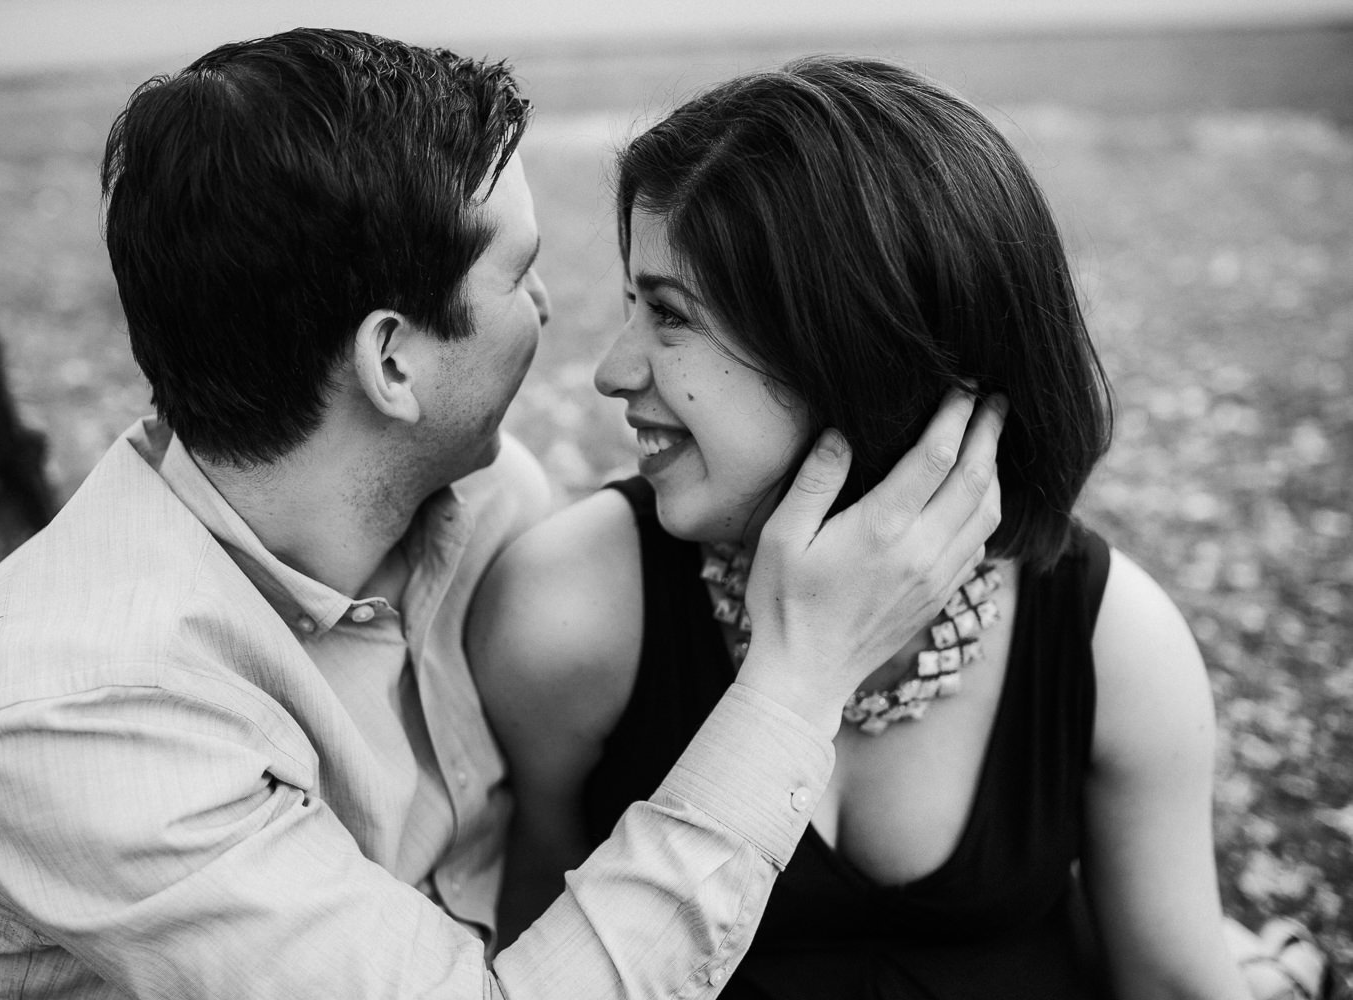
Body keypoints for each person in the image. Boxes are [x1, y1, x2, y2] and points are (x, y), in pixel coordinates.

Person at [0, 30, 1005, 999]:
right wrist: (798, 681)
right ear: (392, 362)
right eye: (518, 275)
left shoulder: (481, 501)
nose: (556, 311)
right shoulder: (72, 720)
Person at [470, 57, 1259, 1000]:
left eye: (670, 317)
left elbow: (1173, 984)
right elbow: (534, 959)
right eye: (633, 304)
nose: (612, 369)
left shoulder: (1113, 643)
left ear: (851, 347)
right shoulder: (568, 615)